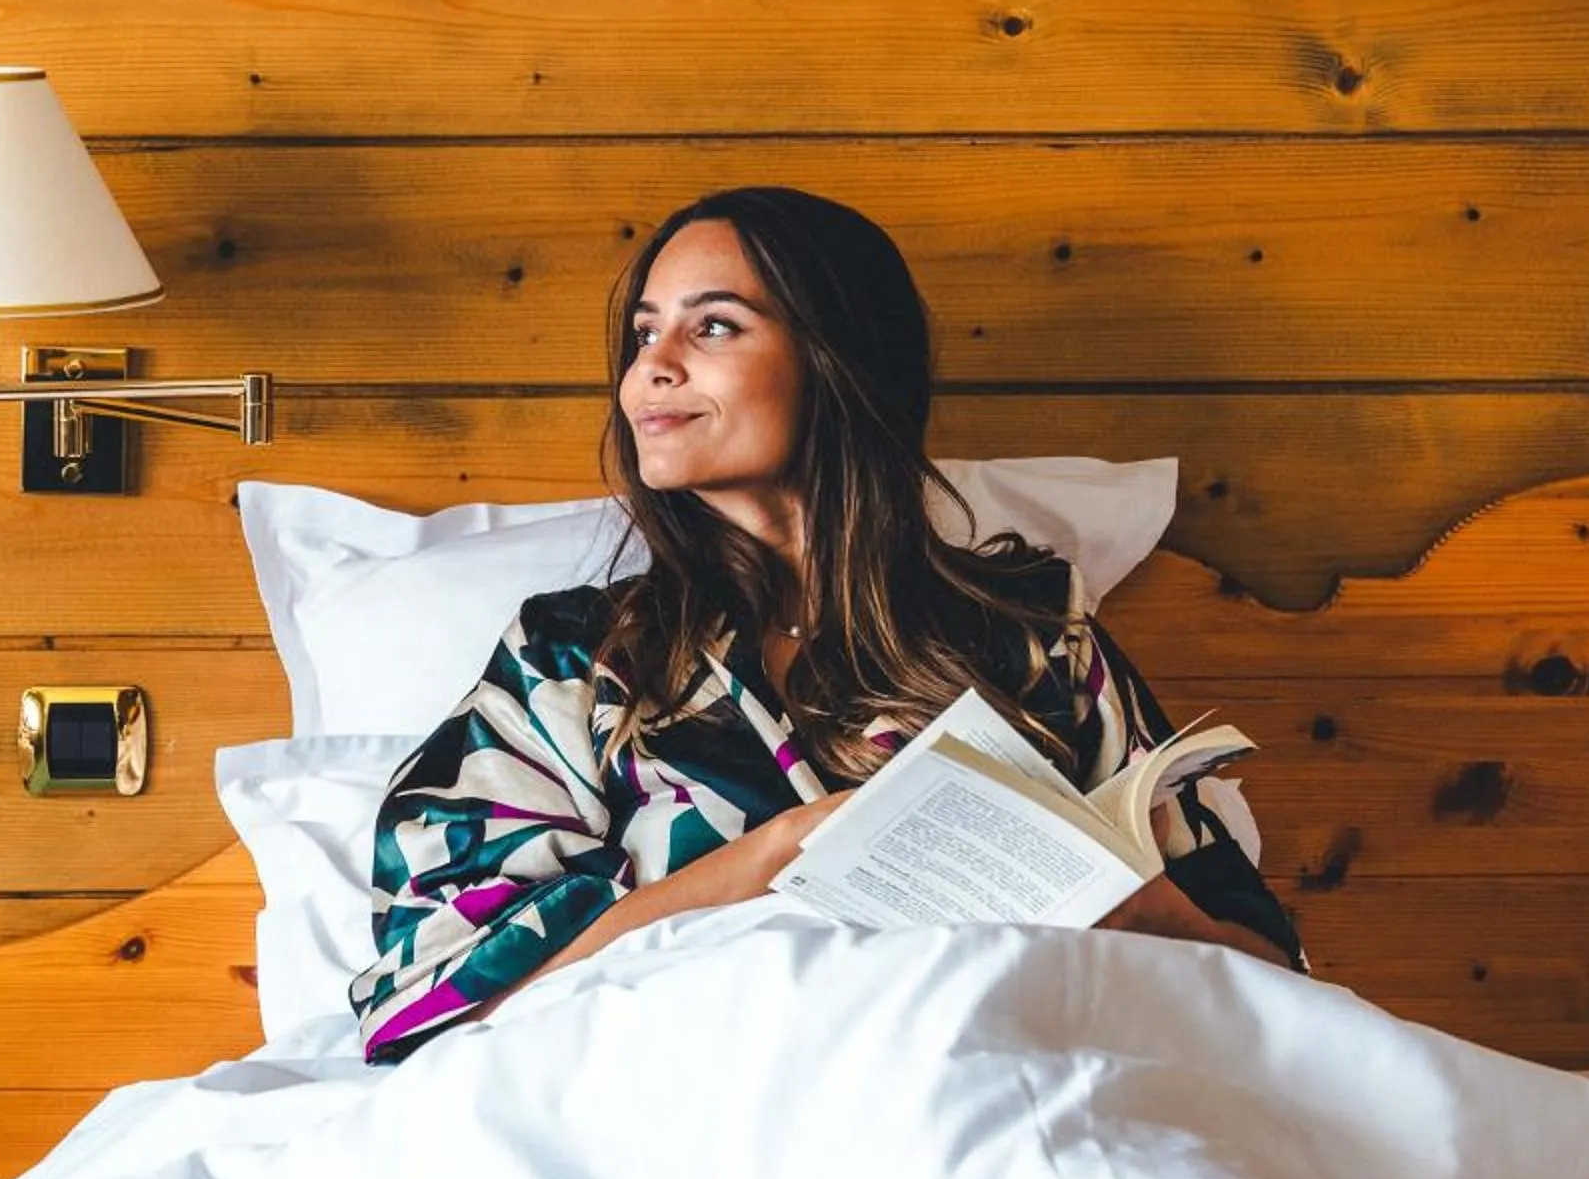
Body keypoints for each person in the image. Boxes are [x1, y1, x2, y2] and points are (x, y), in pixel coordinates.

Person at [348, 188, 1303, 1062]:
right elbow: (437, 1004)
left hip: (1004, 1065)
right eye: (644, 335)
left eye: (711, 326)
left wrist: (1135, 905)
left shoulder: (1028, 632)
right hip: (700, 1089)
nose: (652, 371)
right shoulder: (576, 659)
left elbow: (1271, 979)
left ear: (836, 363)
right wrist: (778, 851)